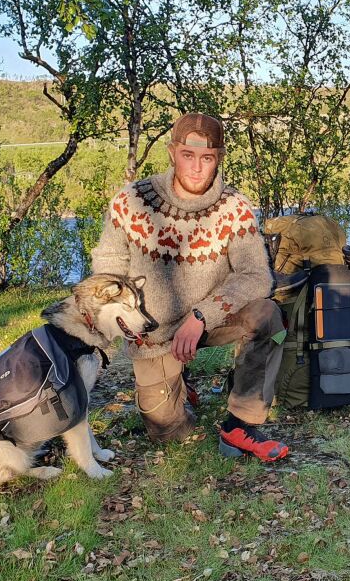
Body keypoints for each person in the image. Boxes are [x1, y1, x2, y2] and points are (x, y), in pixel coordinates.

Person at [91, 113, 289, 461]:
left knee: (268, 316)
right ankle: (178, 386)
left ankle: (241, 423)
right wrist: (126, 322)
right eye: (188, 155)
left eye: (207, 158)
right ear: (172, 153)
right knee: (168, 432)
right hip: (154, 333)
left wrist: (201, 316)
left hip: (210, 320)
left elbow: (257, 276)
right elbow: (108, 268)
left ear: (219, 159)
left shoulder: (235, 208)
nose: (197, 168)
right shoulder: (132, 201)